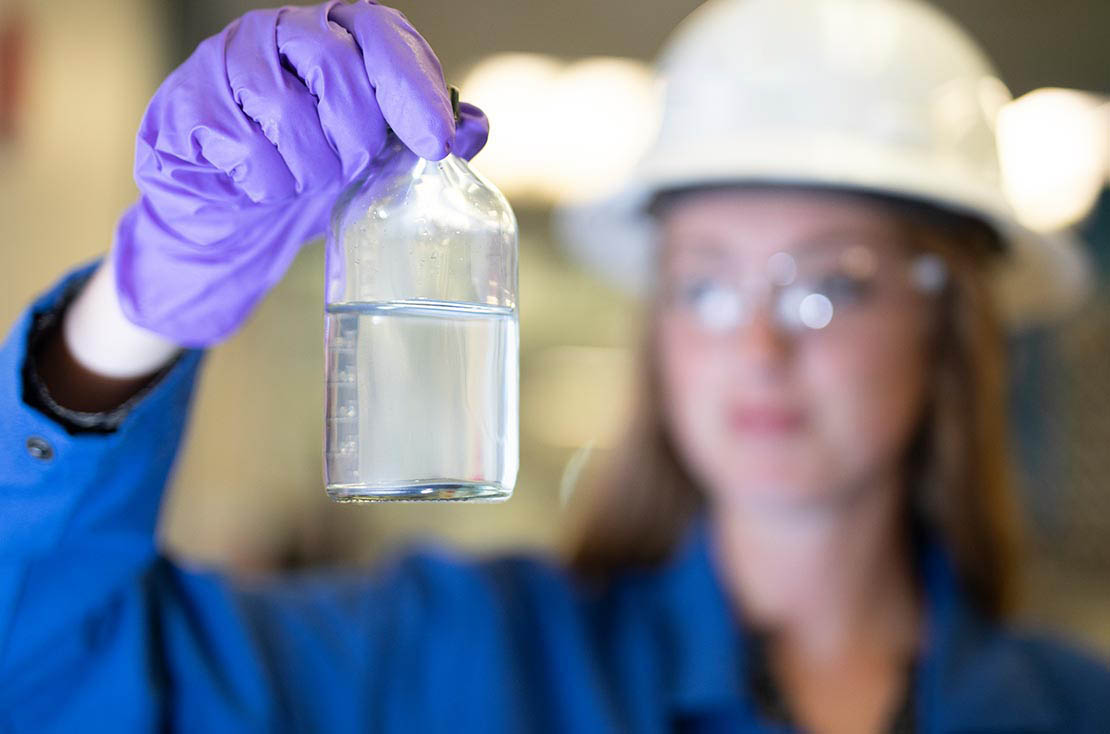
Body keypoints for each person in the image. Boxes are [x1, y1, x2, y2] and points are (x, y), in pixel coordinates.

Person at [1, 0, 1107, 731]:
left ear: (951, 323)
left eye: (830, 285)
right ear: (658, 321)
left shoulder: (1070, 704)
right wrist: (126, 322)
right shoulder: (460, 659)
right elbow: (40, 674)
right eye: (707, 284)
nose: (756, 346)